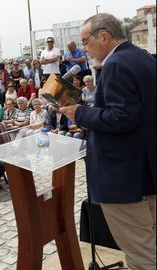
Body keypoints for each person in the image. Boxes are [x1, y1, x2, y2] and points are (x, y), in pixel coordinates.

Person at [60, 13, 156, 270]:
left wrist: (79, 113)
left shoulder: (115, 65)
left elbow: (122, 118)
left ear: (104, 36)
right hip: (146, 172)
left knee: (142, 256)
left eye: (85, 40)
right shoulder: (144, 58)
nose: (83, 48)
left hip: (125, 179)